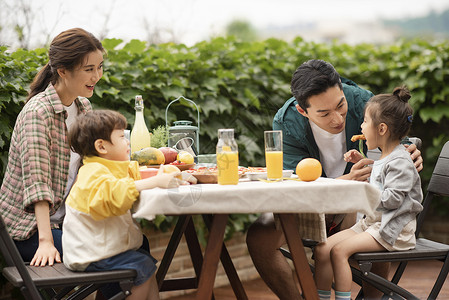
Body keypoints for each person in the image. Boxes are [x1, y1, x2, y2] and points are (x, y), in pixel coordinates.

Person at [246, 59, 423, 300]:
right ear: (303, 111)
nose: (338, 119)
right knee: (259, 237)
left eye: (341, 105)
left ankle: (372, 297)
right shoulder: (287, 122)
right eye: (324, 113)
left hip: (360, 204)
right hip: (312, 204)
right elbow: (292, 187)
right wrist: (342, 182)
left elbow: (393, 141)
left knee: (374, 220)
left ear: (341, 88)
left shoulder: (363, 101)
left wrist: (408, 150)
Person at [0, 28, 104, 267]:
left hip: (68, 220)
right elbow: (38, 184)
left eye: (100, 67)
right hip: (27, 231)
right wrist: (46, 241)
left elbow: (92, 165)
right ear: (63, 71)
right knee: (114, 256)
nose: (96, 76)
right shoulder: (38, 113)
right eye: (89, 69)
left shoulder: (84, 107)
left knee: (137, 245)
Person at [313, 86, 423, 300]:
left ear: (381, 129)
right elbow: (384, 177)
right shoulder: (387, 156)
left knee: (338, 252)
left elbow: (392, 200)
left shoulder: (401, 162)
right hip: (374, 223)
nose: (361, 126)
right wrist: (365, 164)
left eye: (365, 121)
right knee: (322, 249)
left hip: (393, 228)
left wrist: (362, 192)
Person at [62, 110, 182, 300]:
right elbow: (116, 195)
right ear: (101, 146)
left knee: (146, 266)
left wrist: (165, 172)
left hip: (99, 249)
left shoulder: (107, 169)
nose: (127, 142)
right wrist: (155, 182)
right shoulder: (92, 173)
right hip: (90, 254)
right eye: (121, 137)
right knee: (141, 266)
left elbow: (132, 176)